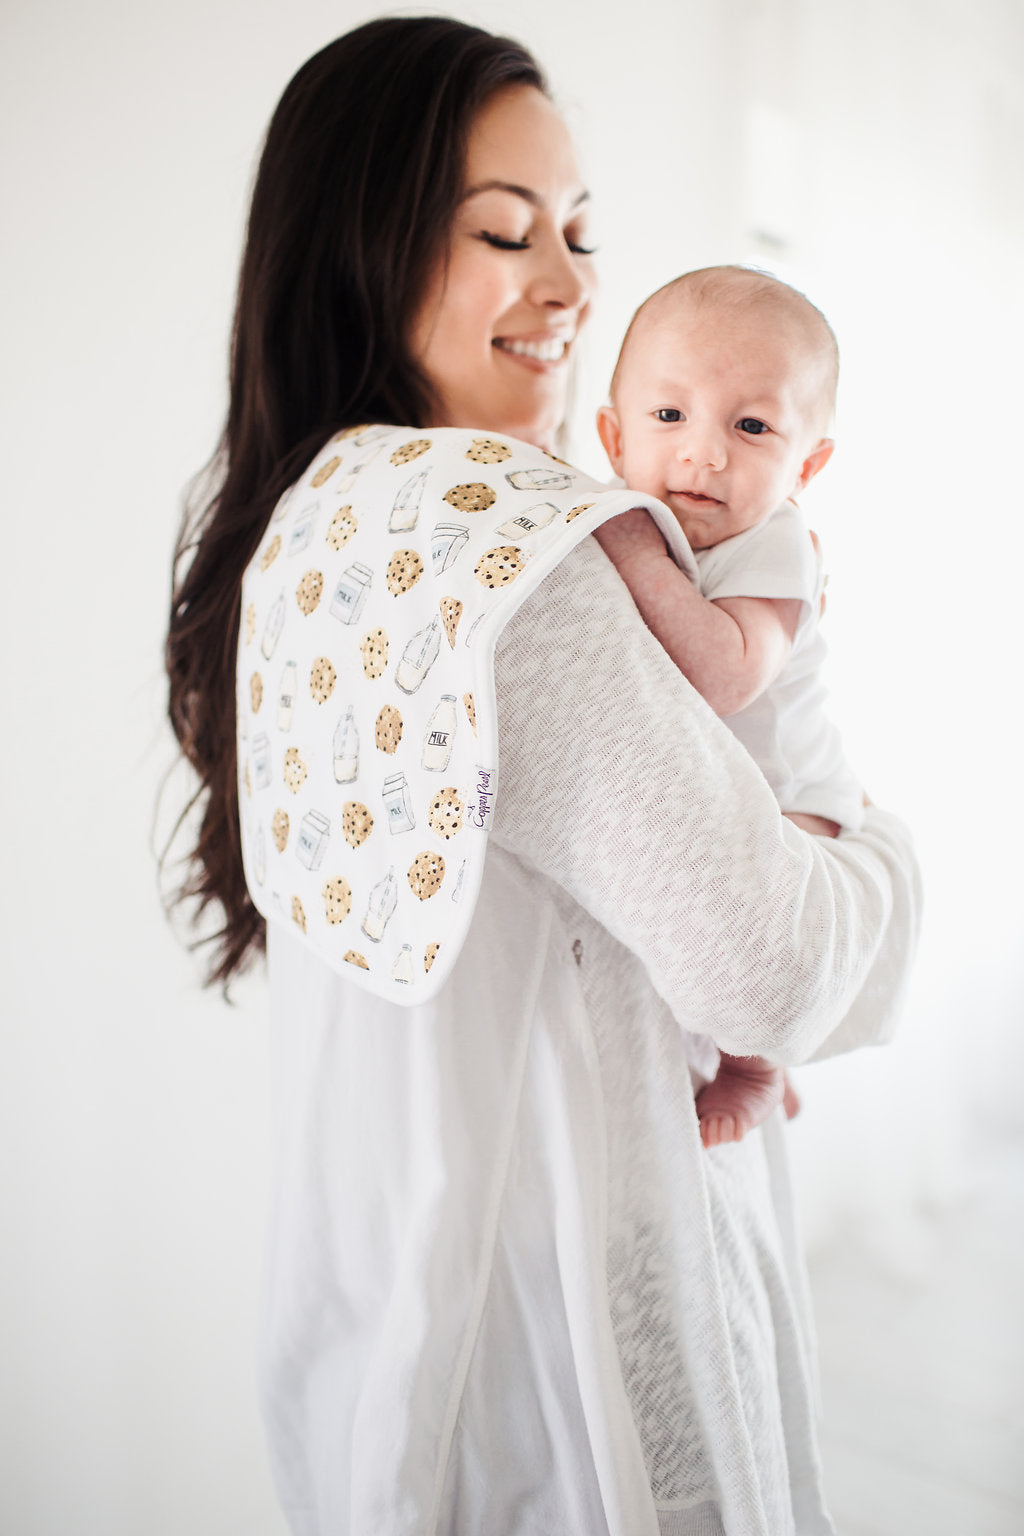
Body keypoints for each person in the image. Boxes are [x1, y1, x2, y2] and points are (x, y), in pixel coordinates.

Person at [165, 17, 920, 1536]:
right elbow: (774, 968)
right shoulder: (519, 554)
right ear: (362, 250)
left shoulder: (317, 522)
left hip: (387, 1335)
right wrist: (887, 863)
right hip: (571, 1383)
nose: (574, 288)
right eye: (506, 232)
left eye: (580, 231)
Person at [594, 266, 858, 1149]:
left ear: (805, 465)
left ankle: (756, 1067)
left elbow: (724, 674)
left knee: (759, 935)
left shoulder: (779, 543)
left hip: (797, 798)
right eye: (670, 415)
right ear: (614, 436)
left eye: (751, 427)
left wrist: (634, 553)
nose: (704, 453)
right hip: (718, 787)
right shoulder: (636, 514)